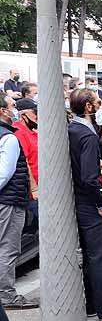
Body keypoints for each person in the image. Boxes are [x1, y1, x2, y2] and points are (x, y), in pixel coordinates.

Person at [68, 89, 102, 321]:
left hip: (78, 198)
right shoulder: (86, 135)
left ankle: (93, 303)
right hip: (88, 201)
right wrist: (100, 202)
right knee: (99, 255)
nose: (101, 106)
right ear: (88, 107)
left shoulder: (73, 130)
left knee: (90, 255)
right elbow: (89, 176)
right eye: (97, 103)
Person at [0, 95, 35, 310]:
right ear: (3, 111)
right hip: (9, 201)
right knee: (8, 248)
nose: (15, 109)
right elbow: (5, 173)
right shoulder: (9, 138)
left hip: (7, 199)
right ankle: (6, 295)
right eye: (12, 106)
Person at [11, 98, 39, 233]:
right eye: (35, 113)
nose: (38, 116)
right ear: (24, 115)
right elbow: (25, 162)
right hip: (32, 194)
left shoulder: (32, 132)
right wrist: (34, 189)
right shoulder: (19, 133)